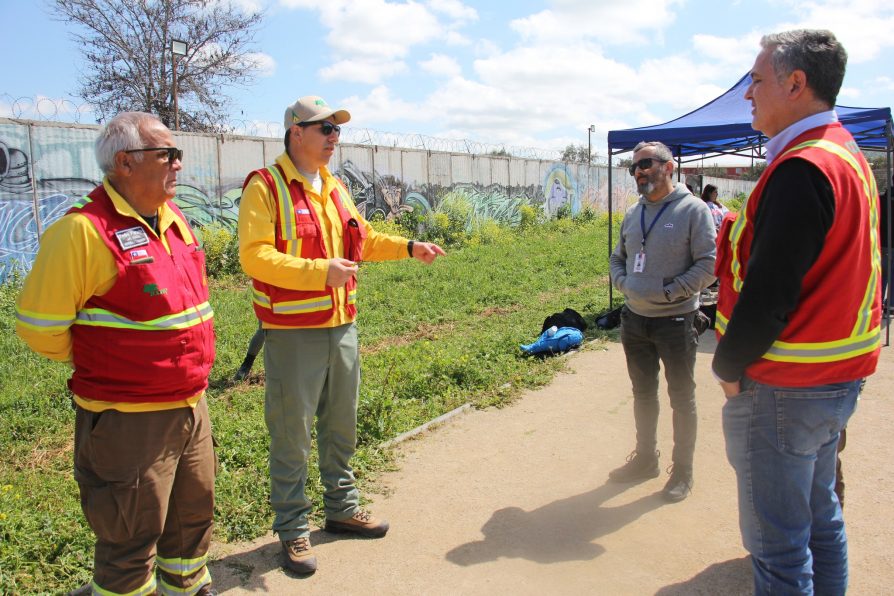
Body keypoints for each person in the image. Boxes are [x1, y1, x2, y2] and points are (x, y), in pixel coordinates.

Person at [238, 95, 445, 575]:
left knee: (341, 426)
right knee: (293, 435)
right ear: (296, 133)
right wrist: (318, 271)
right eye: (325, 129)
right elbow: (254, 256)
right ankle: (292, 529)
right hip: (293, 334)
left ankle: (342, 508)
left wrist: (410, 247)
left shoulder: (334, 186)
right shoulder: (266, 187)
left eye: (337, 130)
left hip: (341, 327)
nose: (335, 138)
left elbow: (363, 238)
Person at [15, 112, 217, 595]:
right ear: (124, 162)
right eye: (166, 155)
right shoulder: (82, 232)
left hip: (191, 406)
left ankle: (187, 587)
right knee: (129, 538)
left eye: (178, 154)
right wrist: (111, 363)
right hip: (128, 419)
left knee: (191, 521)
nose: (178, 165)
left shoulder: (175, 221)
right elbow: (39, 327)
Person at [713, 30, 881, 594]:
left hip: (786, 386)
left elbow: (769, 295)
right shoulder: (845, 155)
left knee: (779, 547)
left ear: (796, 83)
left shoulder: (802, 166)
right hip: (836, 379)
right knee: (821, 522)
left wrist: (727, 367)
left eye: (757, 81)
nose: (748, 95)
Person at [608, 141, 716, 502]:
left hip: (676, 321)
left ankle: (683, 471)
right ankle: (645, 459)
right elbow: (618, 257)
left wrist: (672, 293)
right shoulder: (632, 213)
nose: (639, 171)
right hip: (635, 319)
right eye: (634, 167)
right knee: (642, 393)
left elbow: (708, 264)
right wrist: (624, 284)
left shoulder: (693, 210)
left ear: (669, 167)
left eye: (646, 164)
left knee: (681, 398)